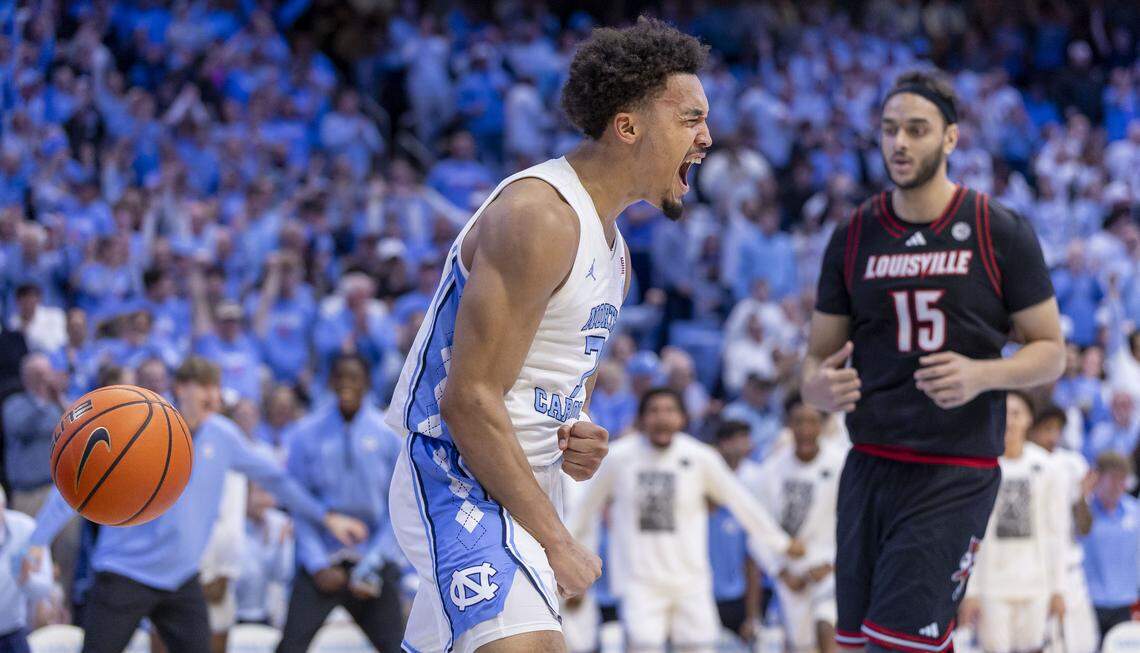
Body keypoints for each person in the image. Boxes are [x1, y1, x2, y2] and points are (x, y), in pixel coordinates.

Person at [386, 17, 711, 653]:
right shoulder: (539, 215)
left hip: (525, 483)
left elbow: (548, 383)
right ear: (628, 127)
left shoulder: (614, 253)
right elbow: (467, 399)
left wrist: (578, 431)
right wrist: (559, 541)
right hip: (459, 474)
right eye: (691, 119)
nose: (706, 138)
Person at [802, 69, 1065, 650]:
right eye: (890, 129)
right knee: (856, 644)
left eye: (916, 130)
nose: (899, 143)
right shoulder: (854, 235)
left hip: (954, 467)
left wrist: (982, 375)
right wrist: (816, 389)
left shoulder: (998, 229)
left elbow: (1051, 352)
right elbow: (815, 359)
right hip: (868, 462)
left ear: (950, 138)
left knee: (901, 644)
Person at [27, 357, 367, 653]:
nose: (213, 396)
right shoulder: (138, 426)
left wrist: (325, 517)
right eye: (204, 386)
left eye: (217, 387)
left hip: (181, 578)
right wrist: (38, 541)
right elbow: (78, 483)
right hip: (124, 573)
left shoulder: (223, 434)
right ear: (181, 388)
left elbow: (276, 480)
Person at [570, 389, 802, 653]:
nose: (662, 418)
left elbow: (741, 503)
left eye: (669, 411)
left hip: (691, 580)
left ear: (682, 418)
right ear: (642, 418)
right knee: (642, 644)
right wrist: (570, 569)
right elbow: (583, 512)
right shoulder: (619, 458)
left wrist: (781, 543)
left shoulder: (700, 457)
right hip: (639, 581)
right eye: (654, 411)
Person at [276, 354, 404, 653]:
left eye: (354, 377)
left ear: (367, 383)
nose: (346, 384)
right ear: (330, 382)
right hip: (321, 561)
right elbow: (300, 506)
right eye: (340, 377)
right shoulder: (305, 435)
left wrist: (372, 564)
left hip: (373, 561)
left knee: (397, 647)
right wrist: (318, 564)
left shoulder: (388, 436)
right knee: (289, 647)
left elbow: (398, 509)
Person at [958, 391, 1068, 653]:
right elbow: (971, 533)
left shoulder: (1047, 467)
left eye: (1017, 413)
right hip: (993, 585)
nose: (1010, 421)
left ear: (1029, 419)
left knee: (1034, 648)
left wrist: (1058, 588)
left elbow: (1057, 531)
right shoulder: (980, 466)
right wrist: (970, 591)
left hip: (1036, 582)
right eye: (1005, 413)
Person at [753, 394, 843, 653]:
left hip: (830, 569)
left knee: (827, 624)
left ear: (823, 426)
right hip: (789, 575)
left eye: (812, 421)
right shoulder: (771, 470)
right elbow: (758, 529)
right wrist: (779, 571)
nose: (805, 429)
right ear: (788, 425)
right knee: (801, 645)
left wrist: (834, 564)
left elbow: (856, 523)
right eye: (798, 421)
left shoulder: (840, 464)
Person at [1028, 405, 1099, 653]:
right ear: (1032, 431)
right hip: (1034, 570)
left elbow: (1085, 528)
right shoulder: (1023, 462)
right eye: (1047, 429)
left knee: (1082, 644)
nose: (1053, 437)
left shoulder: (1072, 463)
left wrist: (1082, 497)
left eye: (1058, 430)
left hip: (1070, 571)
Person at [707, 420, 764, 642]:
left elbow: (751, 564)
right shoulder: (690, 509)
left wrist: (752, 616)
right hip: (699, 595)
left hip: (734, 598)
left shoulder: (741, 508)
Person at [1080, 451, 1139, 643]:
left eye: (1123, 479)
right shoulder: (1084, 512)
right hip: (1090, 603)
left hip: (1126, 602)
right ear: (1097, 478)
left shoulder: (1134, 512)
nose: (1118, 485)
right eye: (1112, 478)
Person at [0, 486, 54, 653]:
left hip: (12, 630)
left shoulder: (26, 529)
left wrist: (25, 578)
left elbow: (44, 588)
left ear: (3, 506)